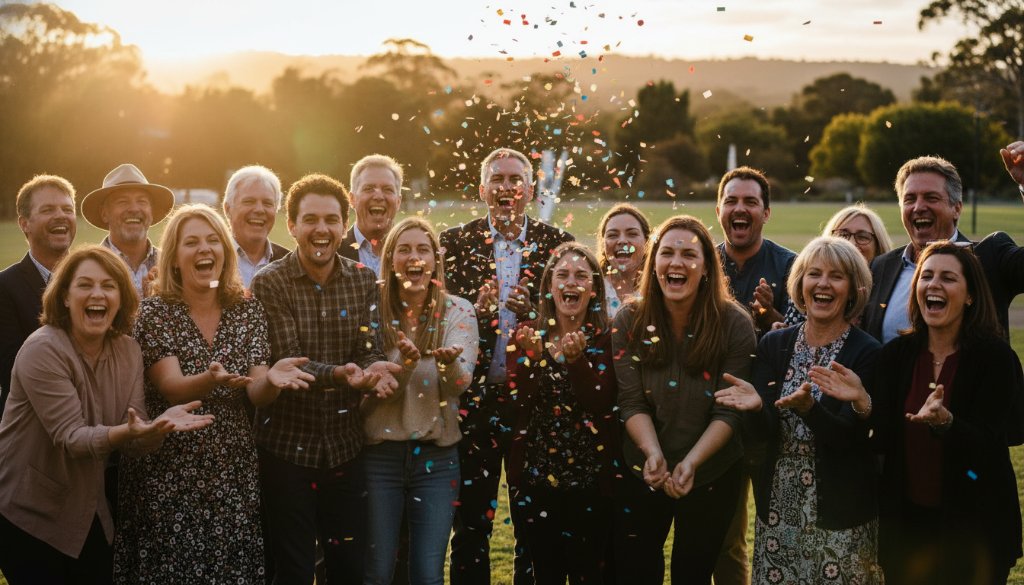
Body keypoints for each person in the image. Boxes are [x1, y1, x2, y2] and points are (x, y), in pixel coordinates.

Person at [113, 205, 313, 584]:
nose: (204, 250)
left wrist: (272, 379)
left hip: (232, 470)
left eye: (212, 241)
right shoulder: (155, 312)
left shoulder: (248, 310)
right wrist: (211, 378)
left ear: (225, 251)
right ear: (174, 258)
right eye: (191, 243)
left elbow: (256, 392)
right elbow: (171, 385)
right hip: (168, 468)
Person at [0, 246, 213, 584]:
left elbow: (135, 436)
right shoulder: (42, 349)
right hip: (32, 515)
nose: (97, 294)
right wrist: (128, 433)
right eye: (84, 285)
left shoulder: (128, 350)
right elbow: (72, 438)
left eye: (108, 285)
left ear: (121, 298)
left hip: (90, 511)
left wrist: (154, 431)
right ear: (65, 298)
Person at [251, 173, 401, 585]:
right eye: (311, 220)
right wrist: (342, 374)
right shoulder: (271, 281)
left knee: (348, 569)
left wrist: (374, 370)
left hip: (344, 449)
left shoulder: (362, 279)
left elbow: (366, 347)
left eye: (331, 220)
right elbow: (288, 360)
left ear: (343, 223)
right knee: (294, 570)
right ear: (293, 225)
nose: (322, 230)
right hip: (286, 452)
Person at [715, 236, 884, 583]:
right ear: (800, 284)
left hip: (842, 510)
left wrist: (811, 410)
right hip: (778, 507)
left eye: (836, 276)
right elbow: (763, 431)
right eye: (814, 274)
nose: (823, 284)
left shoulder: (867, 353)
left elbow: (850, 439)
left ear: (853, 289)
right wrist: (754, 408)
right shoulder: (774, 345)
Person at [441, 147, 574, 585]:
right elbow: (439, 319)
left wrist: (537, 316)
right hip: (472, 404)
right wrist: (473, 315)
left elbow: (569, 320)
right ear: (482, 190)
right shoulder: (454, 242)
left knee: (532, 525)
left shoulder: (555, 245)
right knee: (471, 526)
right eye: (496, 179)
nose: (505, 187)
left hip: (532, 405)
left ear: (531, 191)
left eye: (515, 179)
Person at [612, 215, 756, 585]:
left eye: (689, 254)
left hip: (712, 469)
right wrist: (653, 454)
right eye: (667, 253)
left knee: (692, 572)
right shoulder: (628, 319)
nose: (676, 263)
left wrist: (691, 462)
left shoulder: (735, 325)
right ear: (654, 263)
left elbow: (729, 409)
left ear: (707, 267)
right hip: (645, 466)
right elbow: (631, 402)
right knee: (637, 569)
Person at [870, 241, 1023, 584]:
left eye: (948, 278)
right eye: (926, 276)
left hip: (975, 527)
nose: (934, 285)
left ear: (970, 295)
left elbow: (991, 443)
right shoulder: (895, 356)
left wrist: (948, 424)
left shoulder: (995, 359)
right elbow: (880, 438)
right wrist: (860, 402)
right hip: (908, 528)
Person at [362, 217, 479, 585]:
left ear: (436, 259)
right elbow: (375, 390)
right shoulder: (372, 310)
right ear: (391, 259)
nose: (415, 257)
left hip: (437, 458)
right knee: (378, 571)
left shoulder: (459, 309)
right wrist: (407, 366)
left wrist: (446, 368)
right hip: (378, 457)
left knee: (427, 574)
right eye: (405, 249)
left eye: (423, 249)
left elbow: (460, 385)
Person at [505, 242, 619, 584]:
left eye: (581, 275)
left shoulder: (607, 337)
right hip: (537, 482)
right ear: (550, 287)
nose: (572, 282)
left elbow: (601, 402)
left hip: (592, 485)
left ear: (594, 288)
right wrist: (535, 360)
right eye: (563, 275)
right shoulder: (526, 332)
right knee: (545, 573)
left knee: (590, 574)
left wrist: (576, 361)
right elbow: (516, 404)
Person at [714, 166, 796, 585]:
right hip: (717, 419)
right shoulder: (702, 263)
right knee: (725, 540)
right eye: (731, 201)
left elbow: (807, 345)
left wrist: (776, 317)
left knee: (779, 532)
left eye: (750, 202)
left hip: (773, 423)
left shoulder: (791, 267)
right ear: (719, 209)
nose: (739, 209)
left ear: (766, 212)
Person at [863, 152, 1024, 345]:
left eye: (931, 198)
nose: (918, 207)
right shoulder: (881, 268)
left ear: (956, 209)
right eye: (909, 199)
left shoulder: (990, 257)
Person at [0, 174, 77, 416]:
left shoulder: (94, 278)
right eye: (48, 209)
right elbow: (10, 370)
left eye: (67, 208)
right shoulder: (5, 286)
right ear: (24, 224)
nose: (61, 215)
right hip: (29, 426)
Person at [781, 203, 893, 326]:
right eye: (842, 235)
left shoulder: (889, 289)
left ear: (878, 245)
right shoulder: (810, 285)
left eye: (862, 237)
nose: (851, 243)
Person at [81, 163, 175, 296]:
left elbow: (211, 288)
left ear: (152, 213)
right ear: (104, 214)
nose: (134, 209)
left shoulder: (172, 266)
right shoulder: (86, 267)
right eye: (123, 202)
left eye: (142, 201)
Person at [222, 165, 290, 288]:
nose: (259, 210)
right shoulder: (212, 258)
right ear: (227, 209)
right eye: (249, 201)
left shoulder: (290, 264)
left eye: (267, 203)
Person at [340, 154, 403, 275]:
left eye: (387, 189)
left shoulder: (415, 251)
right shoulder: (334, 252)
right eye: (368, 188)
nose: (379, 196)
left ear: (398, 201)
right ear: (352, 199)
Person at [596, 203, 650, 318]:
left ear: (647, 242)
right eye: (612, 235)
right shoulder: (592, 289)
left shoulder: (659, 288)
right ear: (602, 244)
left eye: (632, 234)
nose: (622, 241)